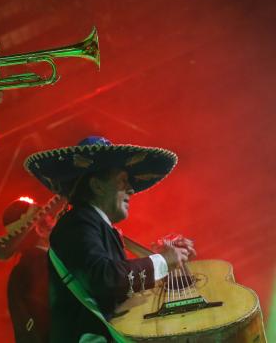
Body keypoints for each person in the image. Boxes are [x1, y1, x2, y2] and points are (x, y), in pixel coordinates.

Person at [24, 136, 197, 342]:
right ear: (97, 186)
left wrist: (166, 260)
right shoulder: (78, 222)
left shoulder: (90, 224)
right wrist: (162, 261)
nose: (131, 190)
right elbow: (105, 278)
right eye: (123, 180)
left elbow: (118, 291)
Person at [0, 197, 57, 343]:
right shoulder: (39, 266)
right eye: (48, 219)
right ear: (41, 229)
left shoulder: (24, 269)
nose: (54, 221)